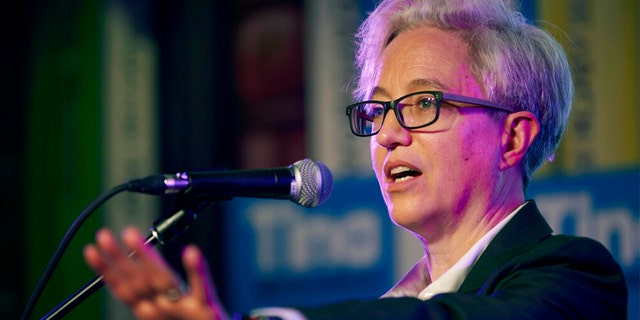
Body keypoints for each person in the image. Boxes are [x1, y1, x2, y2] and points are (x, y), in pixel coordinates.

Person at [83, 0, 628, 319]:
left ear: (513, 138)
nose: (387, 134)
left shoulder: (575, 278)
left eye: (422, 103)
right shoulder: (395, 301)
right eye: (378, 109)